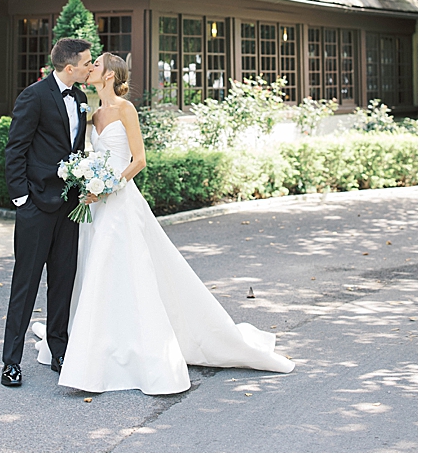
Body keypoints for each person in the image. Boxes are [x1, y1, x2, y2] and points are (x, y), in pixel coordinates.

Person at [32, 52, 295, 395]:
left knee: (124, 271)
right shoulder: (93, 113)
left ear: (110, 75)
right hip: (94, 206)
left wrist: (108, 185)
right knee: (92, 269)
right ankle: (92, 343)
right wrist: (86, 183)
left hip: (118, 202)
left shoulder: (126, 110)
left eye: (96, 64)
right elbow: (90, 157)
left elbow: (138, 160)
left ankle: (131, 349)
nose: (91, 67)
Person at [1, 38, 92, 387]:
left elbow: (75, 149)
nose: (89, 67)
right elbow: (15, 149)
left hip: (70, 206)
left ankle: (60, 353)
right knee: (25, 285)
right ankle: (11, 361)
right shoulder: (34, 96)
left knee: (63, 281)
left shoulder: (81, 99)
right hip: (36, 206)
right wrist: (21, 198)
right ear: (69, 67)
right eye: (86, 62)